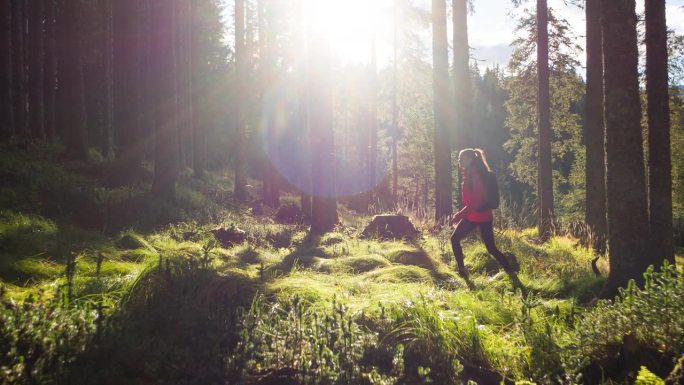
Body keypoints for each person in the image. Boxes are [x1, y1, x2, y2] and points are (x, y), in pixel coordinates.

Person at [449, 148, 518, 279]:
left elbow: (475, 201)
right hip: (477, 215)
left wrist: (458, 216)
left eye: (461, 159)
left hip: (478, 215)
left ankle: (510, 271)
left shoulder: (475, 175)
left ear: (469, 159)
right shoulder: (470, 173)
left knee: (490, 248)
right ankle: (462, 271)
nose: (459, 161)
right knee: (458, 239)